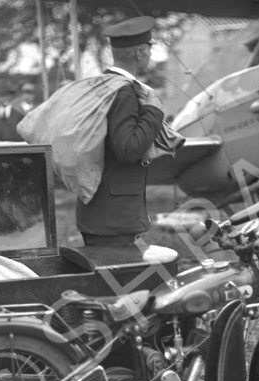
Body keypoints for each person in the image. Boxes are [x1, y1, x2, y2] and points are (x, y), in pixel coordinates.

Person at [75, 16, 164, 246]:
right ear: (139, 53)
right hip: (114, 219)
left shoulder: (104, 85)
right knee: (121, 281)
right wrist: (153, 111)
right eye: (149, 49)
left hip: (101, 214)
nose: (151, 55)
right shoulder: (124, 92)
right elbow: (127, 149)